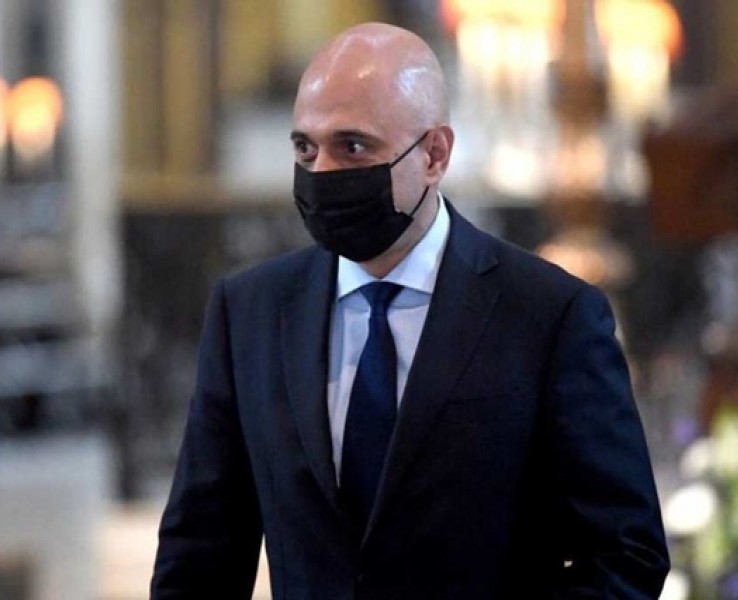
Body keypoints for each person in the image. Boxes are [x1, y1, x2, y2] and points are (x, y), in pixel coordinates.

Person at [151, 22, 669, 598]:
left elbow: (626, 554)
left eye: (352, 147)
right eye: (305, 147)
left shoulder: (551, 315)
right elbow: (200, 554)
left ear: (434, 155)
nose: (321, 173)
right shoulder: (248, 312)